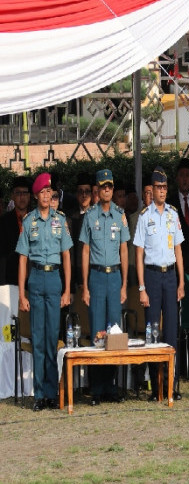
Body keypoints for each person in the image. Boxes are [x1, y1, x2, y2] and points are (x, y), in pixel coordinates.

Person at [16, 173, 73, 411]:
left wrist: (68, 289)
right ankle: (39, 394)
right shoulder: (29, 222)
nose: (47, 196)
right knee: (39, 339)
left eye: (50, 192)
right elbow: (22, 260)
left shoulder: (60, 220)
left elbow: (67, 256)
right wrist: (22, 294)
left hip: (55, 278)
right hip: (37, 278)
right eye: (43, 192)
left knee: (52, 340)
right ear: (36, 196)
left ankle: (52, 392)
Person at [133, 166, 185, 401]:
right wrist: (142, 287)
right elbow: (139, 253)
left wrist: (182, 282)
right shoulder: (145, 217)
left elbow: (178, 249)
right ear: (151, 190)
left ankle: (171, 385)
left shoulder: (173, 214)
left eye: (165, 188)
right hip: (153, 276)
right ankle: (156, 388)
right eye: (158, 188)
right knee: (153, 332)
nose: (162, 191)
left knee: (172, 331)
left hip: (171, 275)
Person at [79, 169, 130, 405]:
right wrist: (86, 287)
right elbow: (86, 251)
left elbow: (124, 250)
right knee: (98, 332)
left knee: (114, 333)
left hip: (115, 277)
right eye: (103, 186)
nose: (107, 190)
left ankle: (111, 386)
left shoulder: (120, 216)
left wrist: (124, 285)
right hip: (97, 277)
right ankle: (96, 388)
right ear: (97, 190)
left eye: (110, 186)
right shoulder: (90, 216)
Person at [168, 158, 189, 275]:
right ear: (177, 179)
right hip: (178, 263)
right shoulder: (170, 203)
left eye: (188, 175)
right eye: (182, 175)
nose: (185, 179)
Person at [0, 176, 32, 285]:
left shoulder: (38, 219)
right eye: (18, 193)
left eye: (25, 193)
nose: (21, 197)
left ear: (29, 196)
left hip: (35, 280)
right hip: (12, 280)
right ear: (12, 196)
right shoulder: (3, 221)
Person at [69, 172, 94, 292]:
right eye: (80, 191)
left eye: (87, 191)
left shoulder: (98, 216)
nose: (84, 195)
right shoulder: (70, 218)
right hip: (77, 275)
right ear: (76, 194)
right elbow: (72, 252)